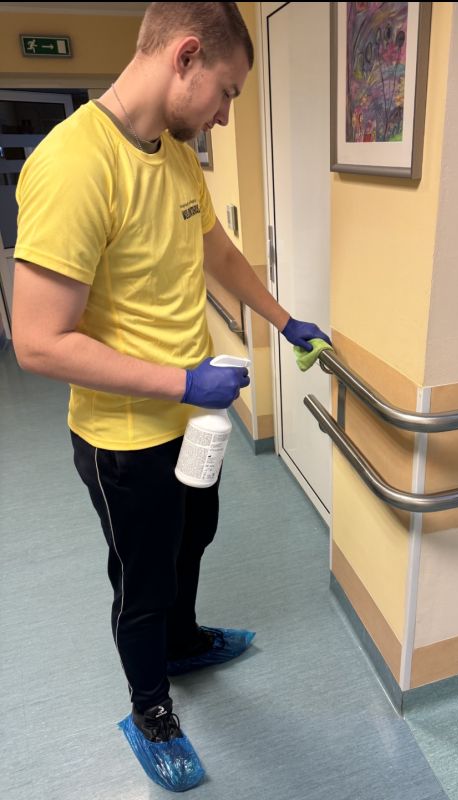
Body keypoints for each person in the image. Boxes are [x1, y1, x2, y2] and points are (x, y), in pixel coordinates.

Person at [12, 2, 331, 793]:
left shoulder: (175, 154)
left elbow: (217, 252)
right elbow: (37, 342)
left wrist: (284, 320)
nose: (224, 115)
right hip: (125, 438)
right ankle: (150, 706)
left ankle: (183, 644)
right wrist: (185, 380)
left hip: (193, 423)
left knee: (195, 538)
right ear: (185, 56)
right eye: (226, 93)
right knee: (143, 581)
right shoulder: (74, 164)